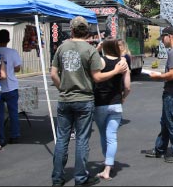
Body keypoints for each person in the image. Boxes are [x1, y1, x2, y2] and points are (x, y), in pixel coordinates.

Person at [50, 16, 127, 186]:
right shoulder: (90, 50)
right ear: (87, 31)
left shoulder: (62, 48)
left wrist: (62, 88)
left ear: (72, 30)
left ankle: (57, 177)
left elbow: (54, 74)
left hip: (65, 99)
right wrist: (115, 71)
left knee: (62, 139)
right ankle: (80, 177)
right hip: (84, 98)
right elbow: (98, 77)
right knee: (82, 139)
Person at [145, 26, 173, 163]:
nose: (162, 42)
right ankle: (160, 149)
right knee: (166, 122)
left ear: (169, 36)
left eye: (162, 38)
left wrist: (157, 76)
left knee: (172, 123)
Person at [93, 37, 131, 181]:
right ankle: (108, 165)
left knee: (103, 134)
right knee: (112, 135)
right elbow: (127, 86)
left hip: (100, 103)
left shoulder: (100, 60)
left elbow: (95, 77)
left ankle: (107, 163)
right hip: (116, 103)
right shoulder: (123, 62)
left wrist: (97, 49)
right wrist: (123, 97)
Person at [0, 29, 22, 145]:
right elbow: (17, 68)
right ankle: (14, 135)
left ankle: (0, 138)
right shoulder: (12, 52)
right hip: (11, 86)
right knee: (13, 113)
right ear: (8, 39)